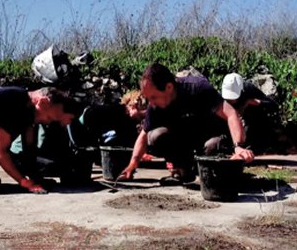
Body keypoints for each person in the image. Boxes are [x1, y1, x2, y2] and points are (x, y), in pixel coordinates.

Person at [119, 63, 253, 185]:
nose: (151, 103)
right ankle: (184, 170)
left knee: (213, 146)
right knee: (154, 136)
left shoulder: (197, 88)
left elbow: (231, 114)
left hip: (211, 138)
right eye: (149, 99)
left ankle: (218, 172)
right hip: (186, 141)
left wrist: (239, 146)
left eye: (153, 97)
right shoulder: (155, 106)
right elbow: (143, 135)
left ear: (169, 87)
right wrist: (132, 164)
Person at [221, 72, 280, 151]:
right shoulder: (221, 98)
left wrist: (254, 102)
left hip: (250, 123)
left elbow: (273, 105)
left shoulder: (248, 89)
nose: (231, 100)